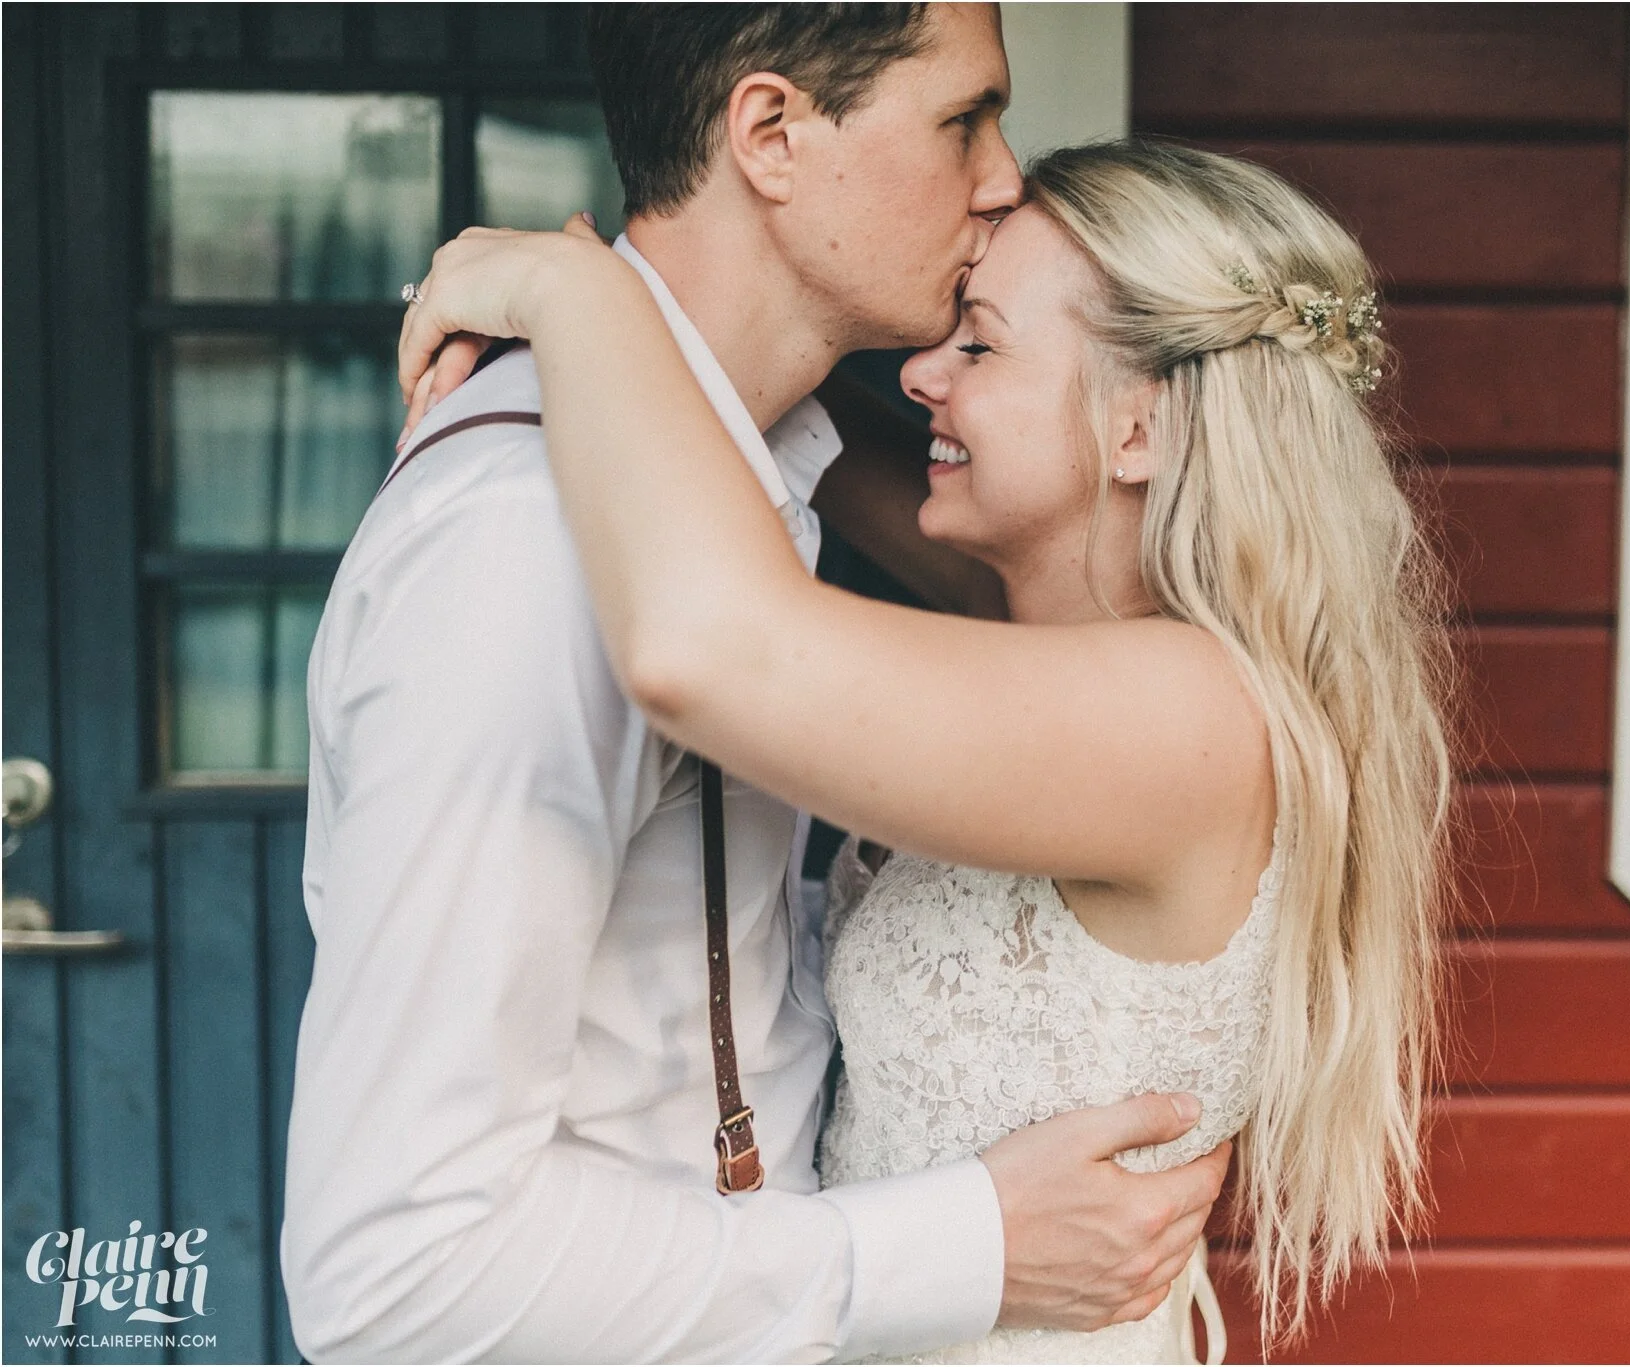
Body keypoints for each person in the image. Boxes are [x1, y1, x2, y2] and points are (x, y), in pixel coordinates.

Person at [395, 137, 1462, 1362]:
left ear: (1136, 430)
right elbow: (786, 426)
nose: (920, 374)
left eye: (981, 344)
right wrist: (665, 304)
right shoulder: (1047, 645)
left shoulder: (1183, 722)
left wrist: (573, 296)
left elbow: (702, 644)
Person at [280, 8, 1232, 1363]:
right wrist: (965, 1243)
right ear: (772, 135)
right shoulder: (525, 543)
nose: (1005, 173)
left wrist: (583, 296)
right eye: (964, 116)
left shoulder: (750, 482)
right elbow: (399, 1268)